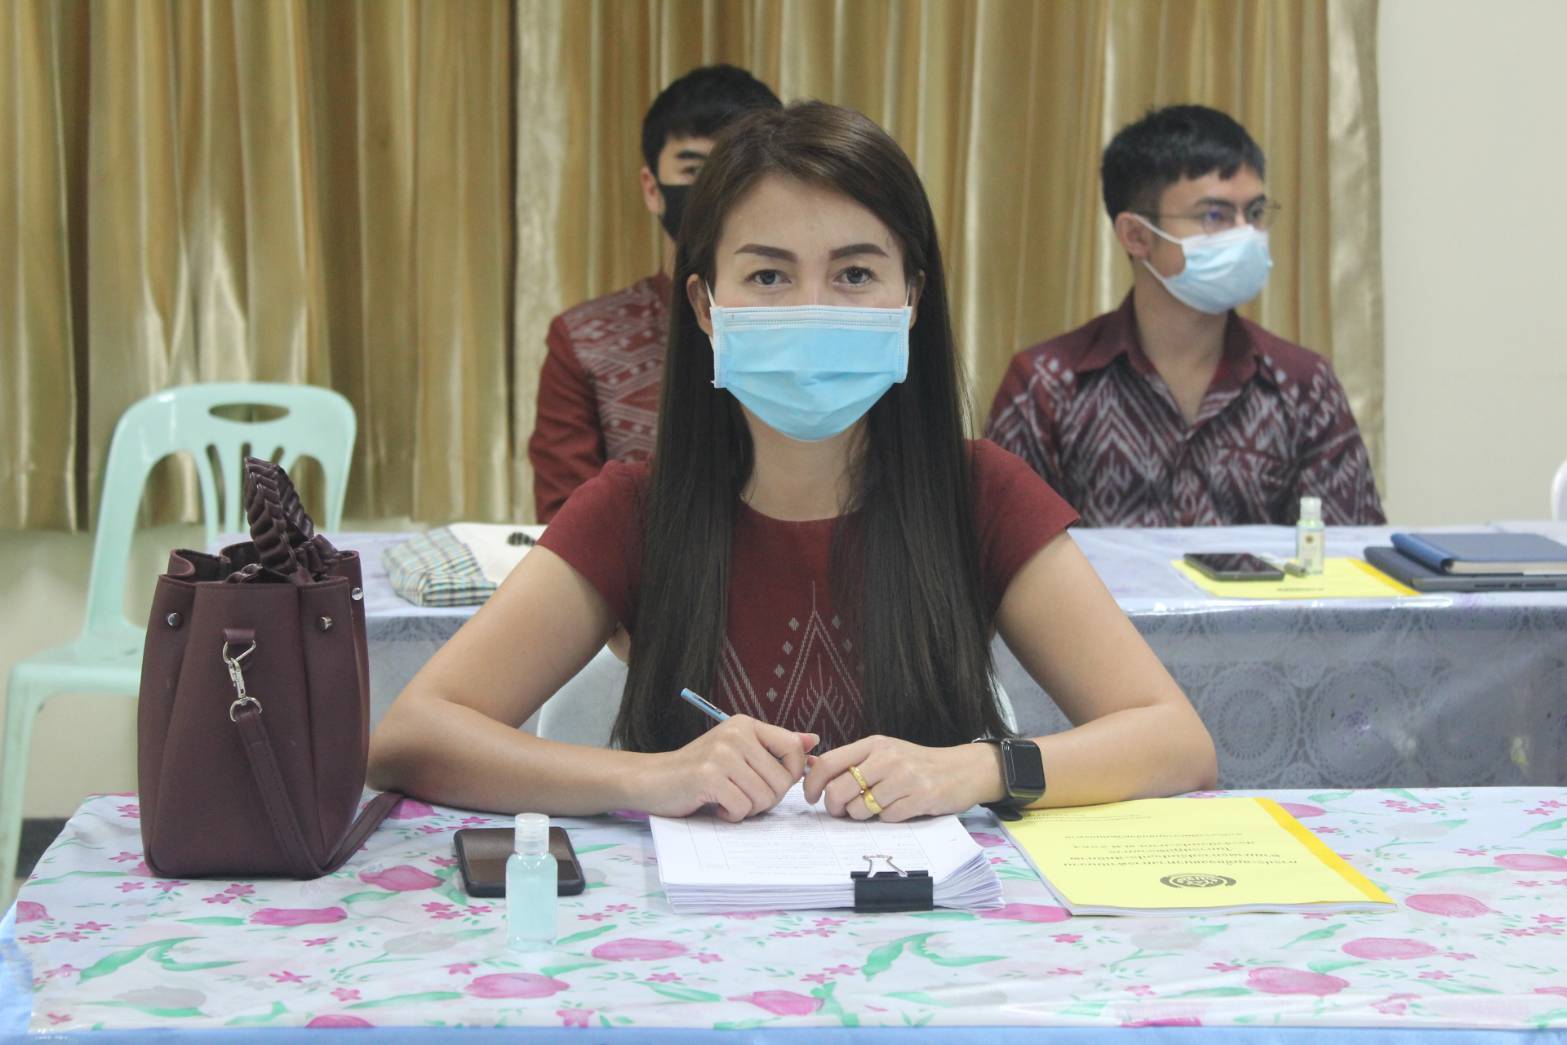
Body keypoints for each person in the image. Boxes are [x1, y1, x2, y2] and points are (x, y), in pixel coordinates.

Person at [370, 102, 1216, 825]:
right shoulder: (632, 508)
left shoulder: (978, 493)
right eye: (769, 276)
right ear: (704, 305)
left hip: (932, 952)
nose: (813, 307)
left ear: (910, 299)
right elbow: (414, 736)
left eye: (854, 272)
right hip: (688, 961)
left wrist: (982, 767)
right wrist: (647, 776)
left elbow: (1174, 741)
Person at [985, 105, 1386, 528]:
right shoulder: (1047, 387)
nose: (1244, 235)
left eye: (1253, 214)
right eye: (1214, 216)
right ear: (1137, 236)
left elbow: (1353, 560)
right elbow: (1001, 561)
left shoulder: (1303, 385)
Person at [527, 64, 782, 523]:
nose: (712, 189)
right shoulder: (583, 340)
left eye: (733, 167)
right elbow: (567, 524)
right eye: (693, 168)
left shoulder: (816, 326)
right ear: (652, 188)